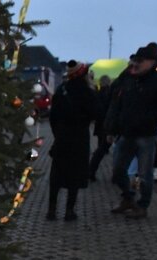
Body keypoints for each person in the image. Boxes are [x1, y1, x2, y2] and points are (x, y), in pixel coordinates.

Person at [105, 44, 157, 219]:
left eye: (140, 61)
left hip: (146, 133)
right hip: (126, 132)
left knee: (145, 173)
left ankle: (142, 205)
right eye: (135, 60)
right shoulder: (128, 78)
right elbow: (116, 103)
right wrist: (112, 127)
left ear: (151, 62)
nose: (136, 64)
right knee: (118, 170)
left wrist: (149, 119)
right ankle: (128, 197)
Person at [46, 60, 101, 221]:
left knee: (56, 174)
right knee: (75, 175)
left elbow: (53, 116)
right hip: (79, 137)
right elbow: (96, 113)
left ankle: (51, 209)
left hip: (62, 137)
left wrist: (58, 133)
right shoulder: (87, 92)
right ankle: (69, 211)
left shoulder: (61, 89)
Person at [88, 74, 113, 181]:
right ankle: (91, 171)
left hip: (100, 123)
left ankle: (91, 171)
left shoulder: (98, 93)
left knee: (100, 147)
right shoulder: (110, 93)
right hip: (108, 123)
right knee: (103, 148)